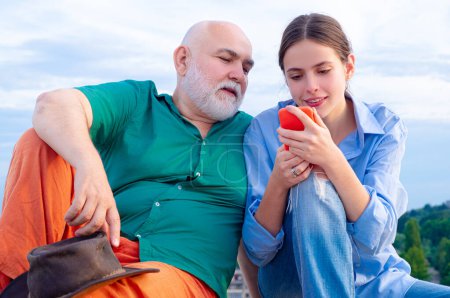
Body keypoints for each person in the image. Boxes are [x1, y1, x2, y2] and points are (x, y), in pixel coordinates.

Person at [0, 20, 256, 298]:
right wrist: (90, 166)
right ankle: (15, 285)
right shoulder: (138, 102)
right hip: (95, 256)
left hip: (178, 274)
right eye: (226, 59)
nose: (238, 75)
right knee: (39, 142)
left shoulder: (254, 134)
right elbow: (52, 105)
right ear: (183, 60)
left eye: (246, 68)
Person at [241, 13, 450, 297]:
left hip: (376, 283)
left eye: (323, 70)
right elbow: (259, 251)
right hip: (296, 284)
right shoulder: (264, 130)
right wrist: (279, 182)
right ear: (286, 79)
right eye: (296, 76)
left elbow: (376, 239)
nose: (311, 86)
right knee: (313, 185)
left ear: (348, 67)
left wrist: (332, 159)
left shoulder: (385, 125)